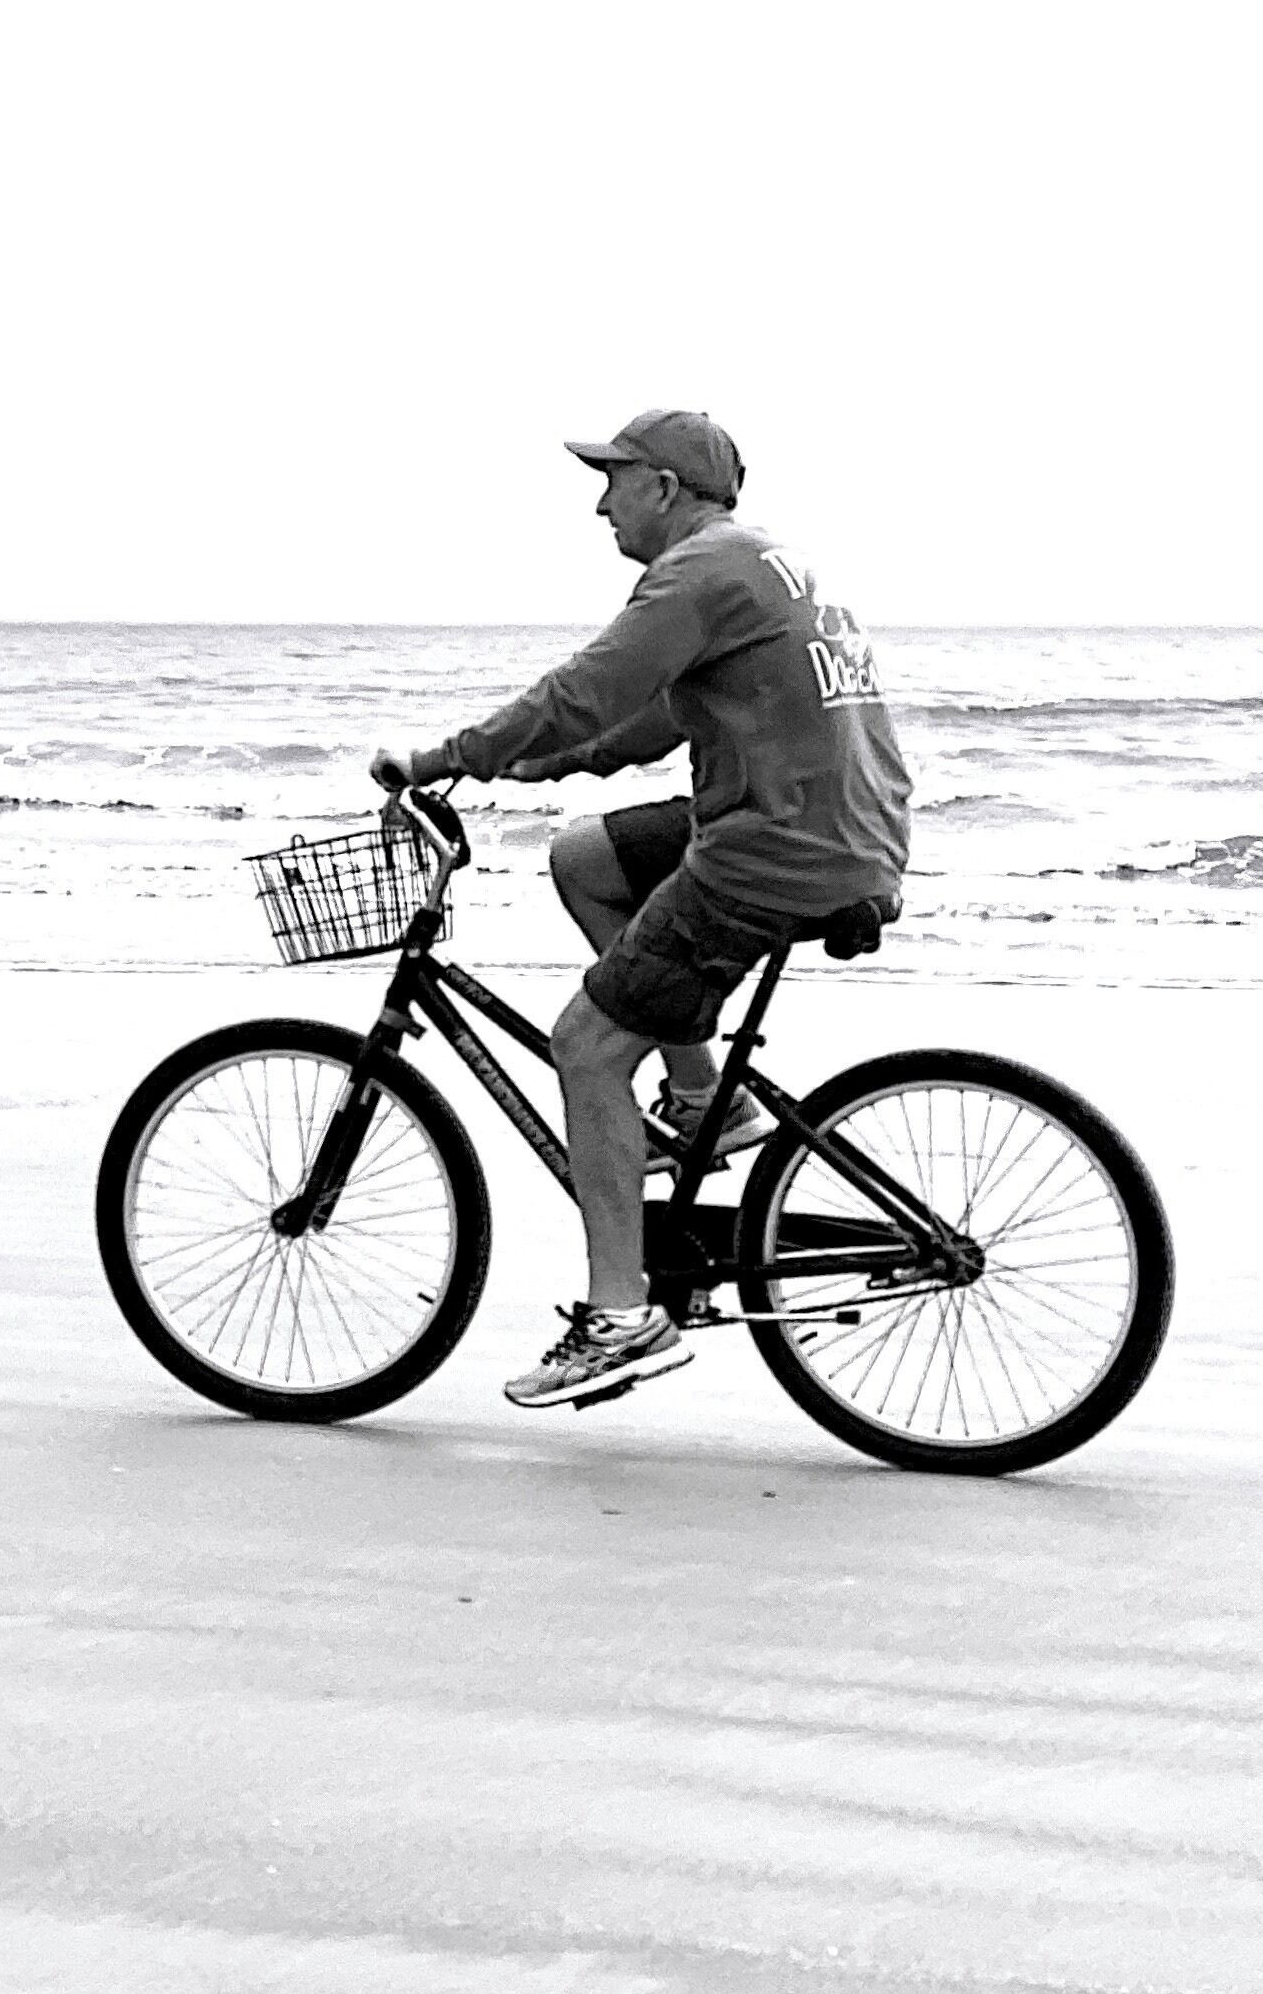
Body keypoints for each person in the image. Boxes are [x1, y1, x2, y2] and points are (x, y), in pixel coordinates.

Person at [370, 409, 911, 1410]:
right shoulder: (754, 562)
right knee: (587, 859)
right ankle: (706, 1098)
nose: (598, 501)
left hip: (774, 851)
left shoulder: (694, 574)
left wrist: (447, 757)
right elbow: (646, 717)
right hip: (828, 825)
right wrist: (534, 766)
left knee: (583, 1045)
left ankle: (619, 1315)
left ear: (663, 485)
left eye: (612, 478)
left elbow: (588, 686)